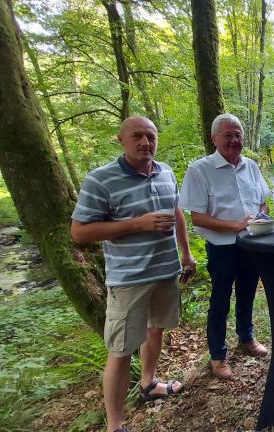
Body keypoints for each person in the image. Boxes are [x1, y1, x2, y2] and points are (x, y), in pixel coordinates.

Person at [70, 116, 196, 432]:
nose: (145, 142)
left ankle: (149, 383)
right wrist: (137, 224)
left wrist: (186, 252)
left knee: (156, 329)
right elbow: (80, 232)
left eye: (150, 136)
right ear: (121, 140)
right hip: (128, 279)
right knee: (121, 350)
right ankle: (116, 426)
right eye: (137, 136)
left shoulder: (166, 171)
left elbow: (176, 210)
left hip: (165, 271)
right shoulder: (101, 180)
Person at [179, 113, 270, 380]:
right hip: (222, 247)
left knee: (247, 294)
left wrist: (260, 215)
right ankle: (217, 356)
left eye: (238, 134)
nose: (234, 139)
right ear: (214, 138)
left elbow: (262, 202)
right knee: (220, 300)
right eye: (228, 134)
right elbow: (196, 216)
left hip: (251, 244)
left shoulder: (251, 166)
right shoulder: (200, 170)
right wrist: (236, 225)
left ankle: (246, 338)